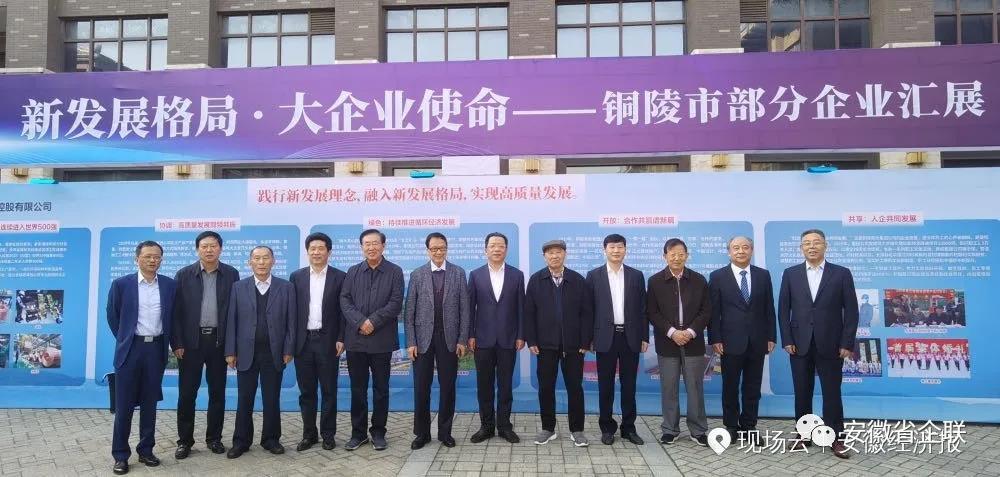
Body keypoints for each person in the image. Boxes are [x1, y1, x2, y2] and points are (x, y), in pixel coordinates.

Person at [778, 229, 858, 459]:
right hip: (799, 343)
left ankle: (836, 438)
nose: (811, 247)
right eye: (807, 243)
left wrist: (847, 342)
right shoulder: (791, 274)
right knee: (802, 391)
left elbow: (851, 311)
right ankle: (803, 435)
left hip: (831, 343)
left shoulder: (841, 273)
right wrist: (787, 339)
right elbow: (783, 310)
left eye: (816, 242)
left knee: (832, 392)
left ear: (825, 246)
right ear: (801, 248)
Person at [106, 241, 177, 475]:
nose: (152, 260)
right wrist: (126, 339)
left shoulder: (169, 285)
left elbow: (174, 317)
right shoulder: (121, 284)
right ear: (136, 259)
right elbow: (113, 316)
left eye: (157, 256)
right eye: (147, 256)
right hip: (130, 349)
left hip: (156, 349)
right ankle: (120, 455)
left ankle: (146, 450)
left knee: (149, 404)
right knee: (124, 405)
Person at [172, 231, 241, 459]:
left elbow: (235, 312)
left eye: (213, 245)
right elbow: (176, 313)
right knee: (187, 394)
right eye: (204, 246)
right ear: (197, 249)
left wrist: (232, 347)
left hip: (219, 343)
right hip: (191, 343)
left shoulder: (231, 274)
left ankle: (214, 439)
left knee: (217, 393)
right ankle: (184, 441)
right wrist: (177, 342)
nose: (209, 250)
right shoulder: (183, 275)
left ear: (220, 248)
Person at [225, 246, 296, 458]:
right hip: (246, 352)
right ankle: (241, 441)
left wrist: (289, 348)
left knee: (271, 398)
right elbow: (232, 320)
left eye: (266, 258)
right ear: (250, 262)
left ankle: (271, 439)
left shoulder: (286, 287)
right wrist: (230, 351)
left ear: (273, 261)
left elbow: (292, 321)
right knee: (244, 398)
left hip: (274, 352)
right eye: (257, 258)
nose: (262, 262)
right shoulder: (238, 287)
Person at [404, 232, 471, 450]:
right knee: (421, 387)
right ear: (428, 251)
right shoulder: (417, 274)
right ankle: (422, 434)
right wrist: (411, 341)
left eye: (442, 248)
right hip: (423, 339)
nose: (438, 252)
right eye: (434, 249)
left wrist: (462, 339)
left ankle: (445, 432)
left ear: (447, 249)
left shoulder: (458, 273)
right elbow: (409, 311)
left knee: (448, 387)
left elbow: (465, 310)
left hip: (449, 339)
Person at [523, 239, 593, 447]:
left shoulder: (577, 280)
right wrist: (531, 340)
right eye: (550, 253)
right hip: (545, 346)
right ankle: (548, 428)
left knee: (575, 388)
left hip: (574, 346)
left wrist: (585, 341)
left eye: (558, 252)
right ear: (544, 256)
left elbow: (587, 313)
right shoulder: (536, 280)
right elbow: (529, 313)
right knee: (546, 388)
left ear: (565, 254)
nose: (555, 256)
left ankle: (577, 430)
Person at [340, 229, 404, 451]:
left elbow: (396, 303)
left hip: (382, 341)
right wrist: (360, 322)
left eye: (375, 243)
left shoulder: (395, 271)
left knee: (381, 389)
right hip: (356, 340)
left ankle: (378, 432)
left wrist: (373, 322)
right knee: (357, 389)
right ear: (362, 247)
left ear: (383, 246)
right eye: (367, 244)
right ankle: (358, 434)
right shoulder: (353, 271)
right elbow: (345, 300)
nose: (371, 247)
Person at [708, 236, 775, 442]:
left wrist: (771, 336)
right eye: (736, 248)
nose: (741, 251)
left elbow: (769, 308)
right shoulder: (718, 276)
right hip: (729, 342)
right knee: (730, 386)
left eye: (745, 247)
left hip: (757, 340)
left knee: (752, 387)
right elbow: (714, 312)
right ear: (729, 252)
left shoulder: (763, 275)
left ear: (751, 251)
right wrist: (715, 338)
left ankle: (749, 426)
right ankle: (730, 426)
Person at [648, 238, 711, 447]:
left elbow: (706, 311)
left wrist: (690, 332)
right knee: (669, 387)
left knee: (695, 387)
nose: (677, 257)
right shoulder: (655, 281)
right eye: (672, 254)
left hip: (693, 342)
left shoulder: (699, 280)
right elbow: (652, 312)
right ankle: (670, 429)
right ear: (664, 256)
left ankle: (698, 430)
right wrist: (673, 332)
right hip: (668, 342)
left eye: (681, 254)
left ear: (687, 255)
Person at [586, 233, 647, 446]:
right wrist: (589, 339)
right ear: (604, 250)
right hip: (605, 338)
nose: (616, 250)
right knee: (606, 386)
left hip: (630, 337)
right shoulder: (594, 276)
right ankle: (607, 428)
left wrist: (644, 336)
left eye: (620, 247)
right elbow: (589, 310)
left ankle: (629, 428)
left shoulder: (636, 275)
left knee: (629, 386)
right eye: (612, 247)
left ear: (625, 250)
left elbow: (643, 309)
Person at [289, 232, 346, 451]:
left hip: (328, 341)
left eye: (321, 248)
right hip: (303, 342)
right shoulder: (297, 277)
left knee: (329, 390)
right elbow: (291, 312)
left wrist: (341, 338)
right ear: (307, 252)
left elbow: (343, 312)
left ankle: (328, 435)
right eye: (312, 248)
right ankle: (309, 434)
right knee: (307, 392)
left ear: (329, 252)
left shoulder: (340, 277)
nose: (316, 252)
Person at [467, 232, 525, 444]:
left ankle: (505, 427)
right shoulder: (475, 275)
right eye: (492, 245)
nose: (497, 249)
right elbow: (469, 308)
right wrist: (470, 334)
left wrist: (521, 335)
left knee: (505, 386)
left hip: (509, 339)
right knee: (484, 386)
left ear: (506, 250)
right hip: (482, 340)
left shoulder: (517, 275)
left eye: (501, 245)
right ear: (486, 250)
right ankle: (486, 426)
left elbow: (521, 308)